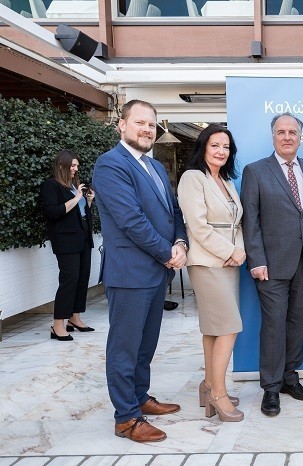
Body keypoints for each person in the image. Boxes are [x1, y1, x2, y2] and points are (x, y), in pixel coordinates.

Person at [93, 99, 188, 443]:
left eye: (151, 124)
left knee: (145, 346)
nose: (147, 129)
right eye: (140, 122)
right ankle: (126, 418)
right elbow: (131, 221)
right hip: (130, 274)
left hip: (156, 273)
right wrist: (167, 254)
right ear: (122, 124)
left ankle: (139, 397)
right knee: (125, 348)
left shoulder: (156, 166)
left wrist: (181, 243)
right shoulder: (110, 165)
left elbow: (173, 211)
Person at [241, 112, 303, 417]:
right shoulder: (255, 171)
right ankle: (271, 388)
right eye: (281, 132)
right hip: (271, 265)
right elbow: (251, 220)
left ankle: (290, 377)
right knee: (274, 325)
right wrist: (256, 259)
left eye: (292, 132)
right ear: (273, 136)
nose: (287, 137)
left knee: (298, 323)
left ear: (300, 137)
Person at [178, 124, 246, 422]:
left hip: (229, 264)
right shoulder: (193, 178)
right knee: (229, 327)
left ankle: (208, 386)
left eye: (226, 147)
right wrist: (230, 251)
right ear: (203, 147)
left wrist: (237, 251)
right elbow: (198, 226)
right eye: (215, 145)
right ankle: (218, 395)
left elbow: (236, 223)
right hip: (207, 263)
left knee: (213, 329)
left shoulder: (226, 181)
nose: (221, 151)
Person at [39, 150, 95, 341]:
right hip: (65, 241)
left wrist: (87, 201)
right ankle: (57, 325)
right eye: (72, 165)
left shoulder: (72, 186)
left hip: (83, 238)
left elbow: (80, 214)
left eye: (76, 165)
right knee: (69, 279)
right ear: (61, 165)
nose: (75, 169)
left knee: (82, 278)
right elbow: (53, 212)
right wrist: (77, 198)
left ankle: (74, 318)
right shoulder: (51, 185)